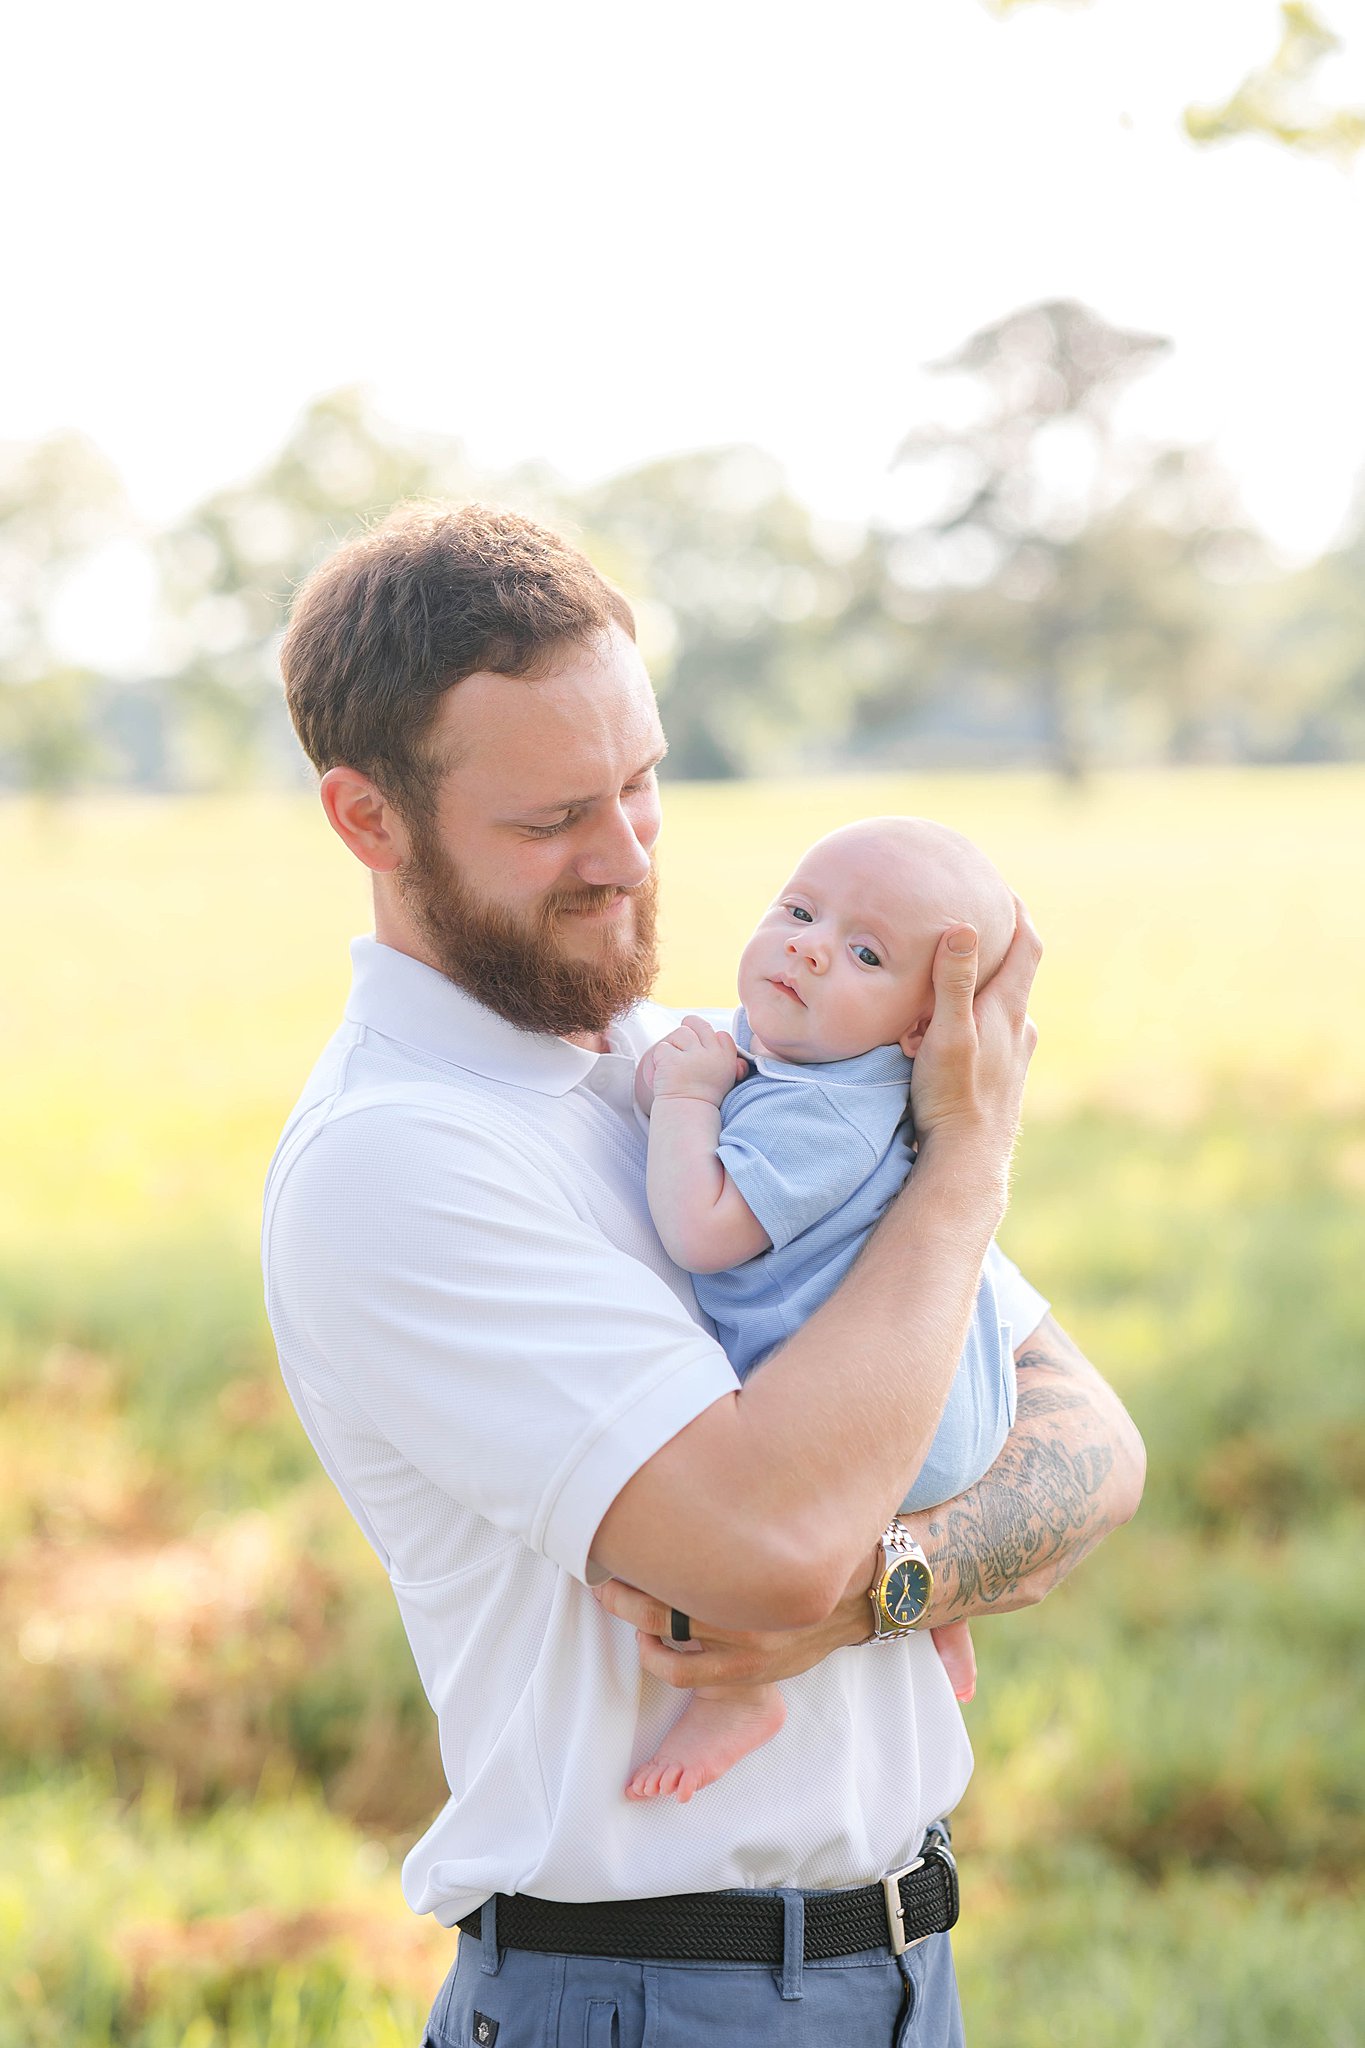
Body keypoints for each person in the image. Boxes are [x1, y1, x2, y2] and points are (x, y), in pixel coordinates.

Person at [263, 501, 1145, 2048]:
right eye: (551, 822)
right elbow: (763, 1550)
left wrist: (888, 1585)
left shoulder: (709, 1065)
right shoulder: (398, 1162)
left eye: (643, 784)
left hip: (905, 1971)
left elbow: (1094, 1445)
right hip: (648, 1997)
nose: (623, 859)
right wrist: (968, 1162)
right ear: (367, 820)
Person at [626, 818, 1018, 1803]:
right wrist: (684, 1075)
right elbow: (719, 1062)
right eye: (800, 910)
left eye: (865, 952)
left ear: (922, 1027)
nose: (809, 944)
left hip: (907, 1430)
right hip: (944, 1397)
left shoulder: (834, 1107)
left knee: (692, 1511)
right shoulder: (811, 1042)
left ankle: (741, 1692)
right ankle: (940, 1616)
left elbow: (701, 1228)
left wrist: (684, 1101)